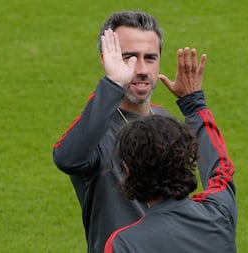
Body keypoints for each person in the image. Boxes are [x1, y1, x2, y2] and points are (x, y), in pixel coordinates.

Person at [52, 10, 208, 253]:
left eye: (150, 58)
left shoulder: (165, 120)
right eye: (129, 57)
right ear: (107, 59)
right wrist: (113, 84)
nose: (142, 69)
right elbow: (68, 159)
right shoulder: (95, 130)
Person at [104, 108, 237, 252]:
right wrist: (193, 103)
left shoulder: (124, 243)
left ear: (127, 168)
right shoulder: (219, 213)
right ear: (185, 158)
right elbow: (221, 170)